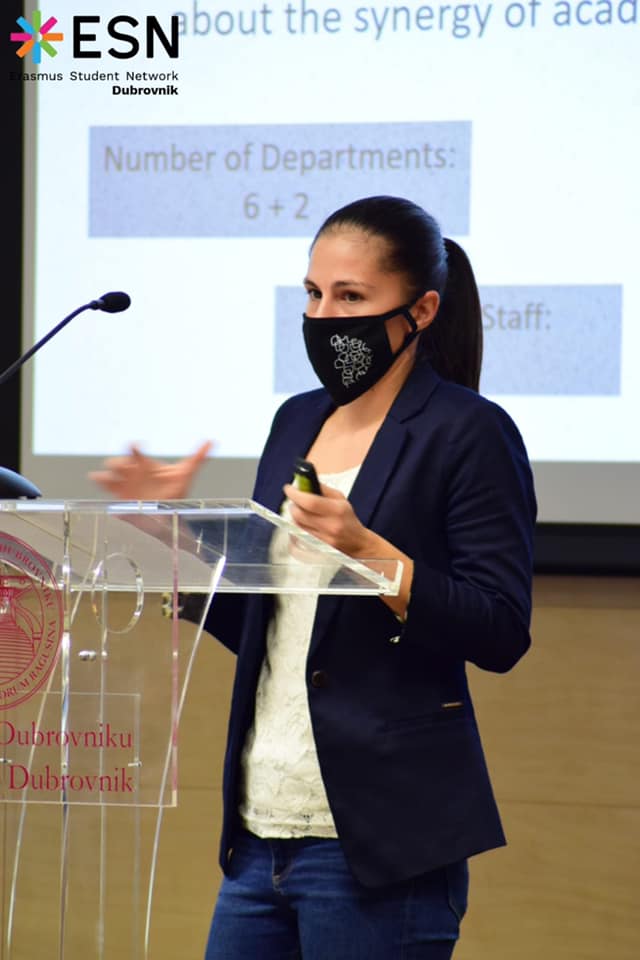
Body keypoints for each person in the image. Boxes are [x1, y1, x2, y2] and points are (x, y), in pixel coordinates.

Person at [91, 195, 537, 959]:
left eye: (351, 297)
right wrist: (178, 544)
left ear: (422, 310)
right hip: (259, 832)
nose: (325, 318)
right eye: (313, 294)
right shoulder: (297, 421)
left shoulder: (467, 431)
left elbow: (500, 629)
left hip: (378, 842)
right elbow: (274, 623)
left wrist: (368, 550)